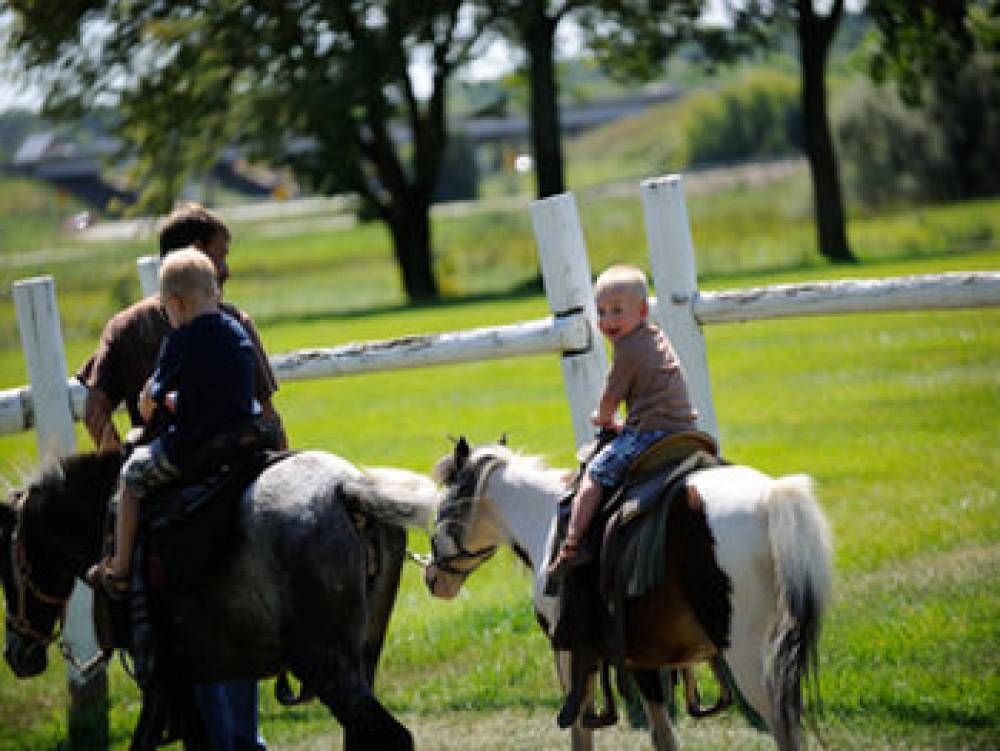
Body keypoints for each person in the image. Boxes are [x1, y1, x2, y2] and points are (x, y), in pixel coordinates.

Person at [77, 203, 279, 751]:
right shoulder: (233, 321)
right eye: (220, 256)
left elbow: (96, 412)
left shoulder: (126, 326)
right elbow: (264, 407)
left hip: (174, 470)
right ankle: (245, 733)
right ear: (198, 262)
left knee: (155, 575)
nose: (228, 270)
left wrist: (130, 444)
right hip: (238, 456)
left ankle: (121, 580)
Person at [88, 248, 259, 589]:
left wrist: (148, 398)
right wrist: (179, 399)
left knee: (132, 477)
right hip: (244, 431)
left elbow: (149, 406)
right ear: (216, 292)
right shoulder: (235, 329)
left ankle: (120, 568)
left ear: (176, 303)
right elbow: (218, 391)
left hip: (196, 441)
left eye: (166, 309)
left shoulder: (180, 340)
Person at [547, 264, 698, 579]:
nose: (608, 321)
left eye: (617, 311)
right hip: (683, 426)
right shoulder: (652, 336)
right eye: (601, 312)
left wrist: (602, 418)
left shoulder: (627, 349)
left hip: (651, 432)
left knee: (594, 476)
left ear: (642, 310)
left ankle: (573, 544)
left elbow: (610, 396)